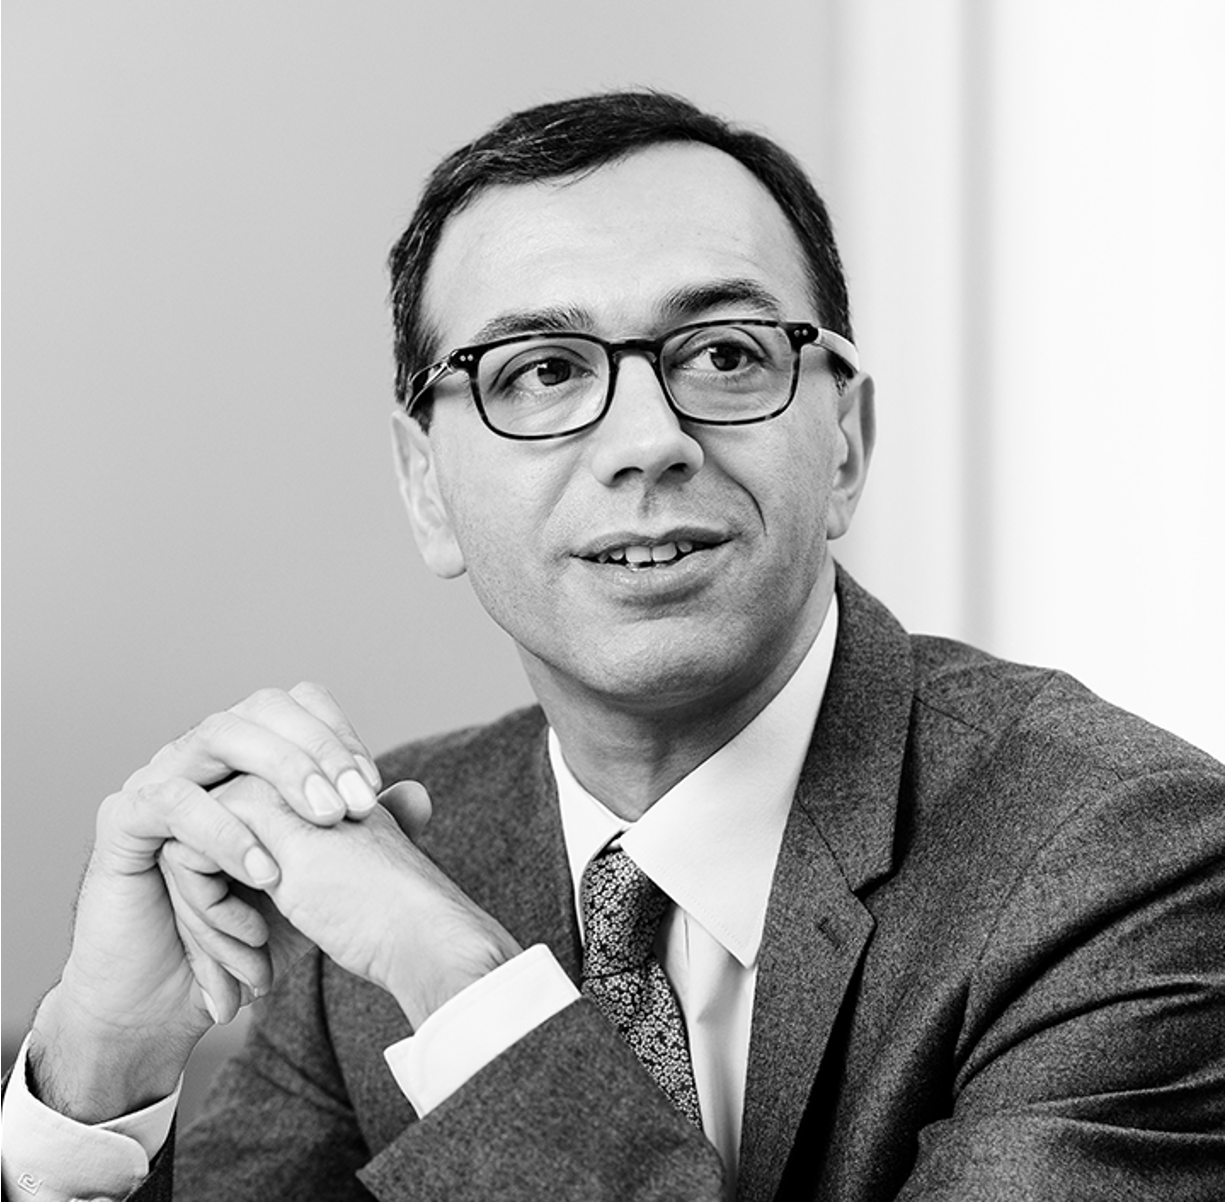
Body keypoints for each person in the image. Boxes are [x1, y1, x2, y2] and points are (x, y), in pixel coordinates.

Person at [2, 91, 1222, 1201]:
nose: (647, 441)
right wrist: (103, 1066)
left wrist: (463, 986)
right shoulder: (376, 874)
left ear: (844, 442)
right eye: (540, 370)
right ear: (427, 488)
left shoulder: (1125, 858)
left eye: (726, 354)